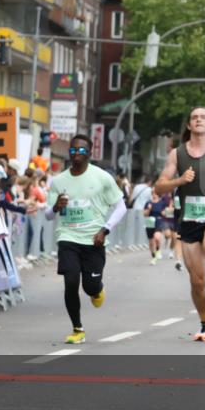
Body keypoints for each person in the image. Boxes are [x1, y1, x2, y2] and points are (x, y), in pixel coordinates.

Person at [154, 107, 205, 341]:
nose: (198, 120)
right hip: (189, 220)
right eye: (194, 117)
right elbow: (159, 186)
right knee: (197, 281)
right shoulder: (177, 155)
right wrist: (180, 180)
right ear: (189, 125)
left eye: (203, 117)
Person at [44, 135, 127, 345]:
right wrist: (56, 207)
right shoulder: (59, 181)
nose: (76, 154)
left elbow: (121, 207)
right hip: (68, 237)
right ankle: (77, 329)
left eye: (81, 151)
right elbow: (48, 215)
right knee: (71, 281)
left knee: (90, 287)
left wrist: (105, 230)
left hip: (94, 240)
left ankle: (97, 289)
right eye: (73, 150)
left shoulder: (102, 178)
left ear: (90, 153)